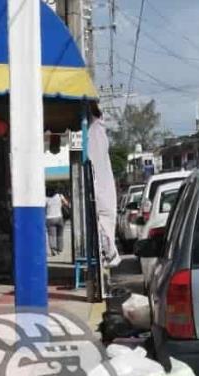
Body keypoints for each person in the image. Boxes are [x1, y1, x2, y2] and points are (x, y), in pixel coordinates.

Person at [87, 102, 121, 268]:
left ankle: (108, 255)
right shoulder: (97, 130)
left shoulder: (97, 130)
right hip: (102, 192)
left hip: (102, 191)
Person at [45, 188, 69, 256]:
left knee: (52, 235)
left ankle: (53, 250)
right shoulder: (60, 196)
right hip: (59, 218)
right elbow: (67, 203)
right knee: (60, 235)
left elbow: (43, 207)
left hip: (50, 218)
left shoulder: (46, 198)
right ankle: (59, 250)